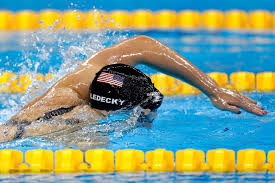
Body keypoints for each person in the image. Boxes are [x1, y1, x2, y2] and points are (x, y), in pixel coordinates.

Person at [0, 35, 267, 142]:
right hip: (47, 127)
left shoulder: (96, 70)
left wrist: (214, 89)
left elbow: (144, 44)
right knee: (91, 143)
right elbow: (12, 131)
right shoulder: (77, 117)